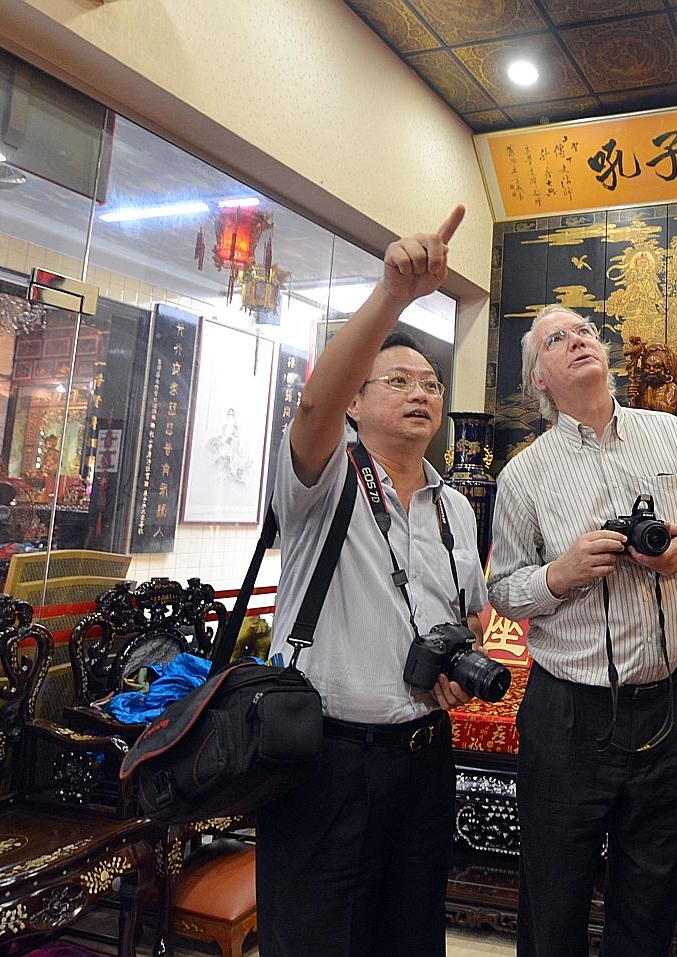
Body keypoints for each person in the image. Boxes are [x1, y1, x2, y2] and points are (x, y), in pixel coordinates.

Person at [257, 206, 486, 957]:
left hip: (424, 757)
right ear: (356, 400)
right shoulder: (324, 482)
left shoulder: (454, 505)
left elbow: (470, 617)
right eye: (397, 380)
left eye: (431, 383)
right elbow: (314, 401)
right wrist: (391, 294)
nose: (422, 393)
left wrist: (454, 673)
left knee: (411, 937)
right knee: (320, 940)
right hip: (324, 760)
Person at [488, 305, 677, 957]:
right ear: (540, 379)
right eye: (556, 338)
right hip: (566, 714)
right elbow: (502, 588)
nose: (577, 340)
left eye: (583, 330)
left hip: (668, 700)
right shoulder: (524, 474)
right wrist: (561, 573)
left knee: (653, 895)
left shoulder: (672, 435)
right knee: (554, 898)